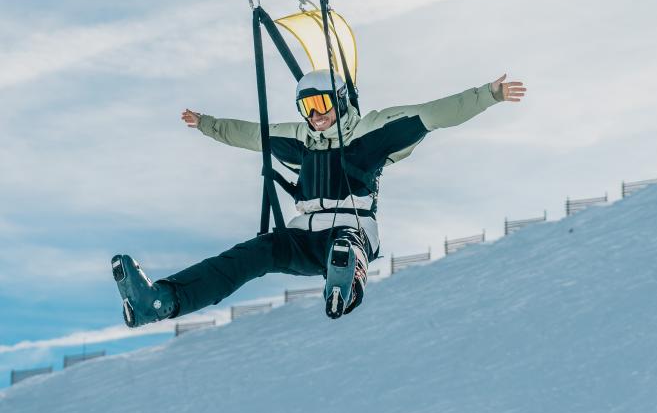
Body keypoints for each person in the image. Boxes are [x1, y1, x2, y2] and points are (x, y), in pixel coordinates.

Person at [111, 71, 526, 325]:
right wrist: (206, 123)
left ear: (340, 99)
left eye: (322, 104)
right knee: (250, 254)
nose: (315, 114)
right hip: (303, 239)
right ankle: (162, 301)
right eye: (307, 107)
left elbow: (433, 113)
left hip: (350, 228)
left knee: (344, 245)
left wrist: (487, 94)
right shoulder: (300, 139)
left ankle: (345, 282)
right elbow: (249, 134)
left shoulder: (371, 131)